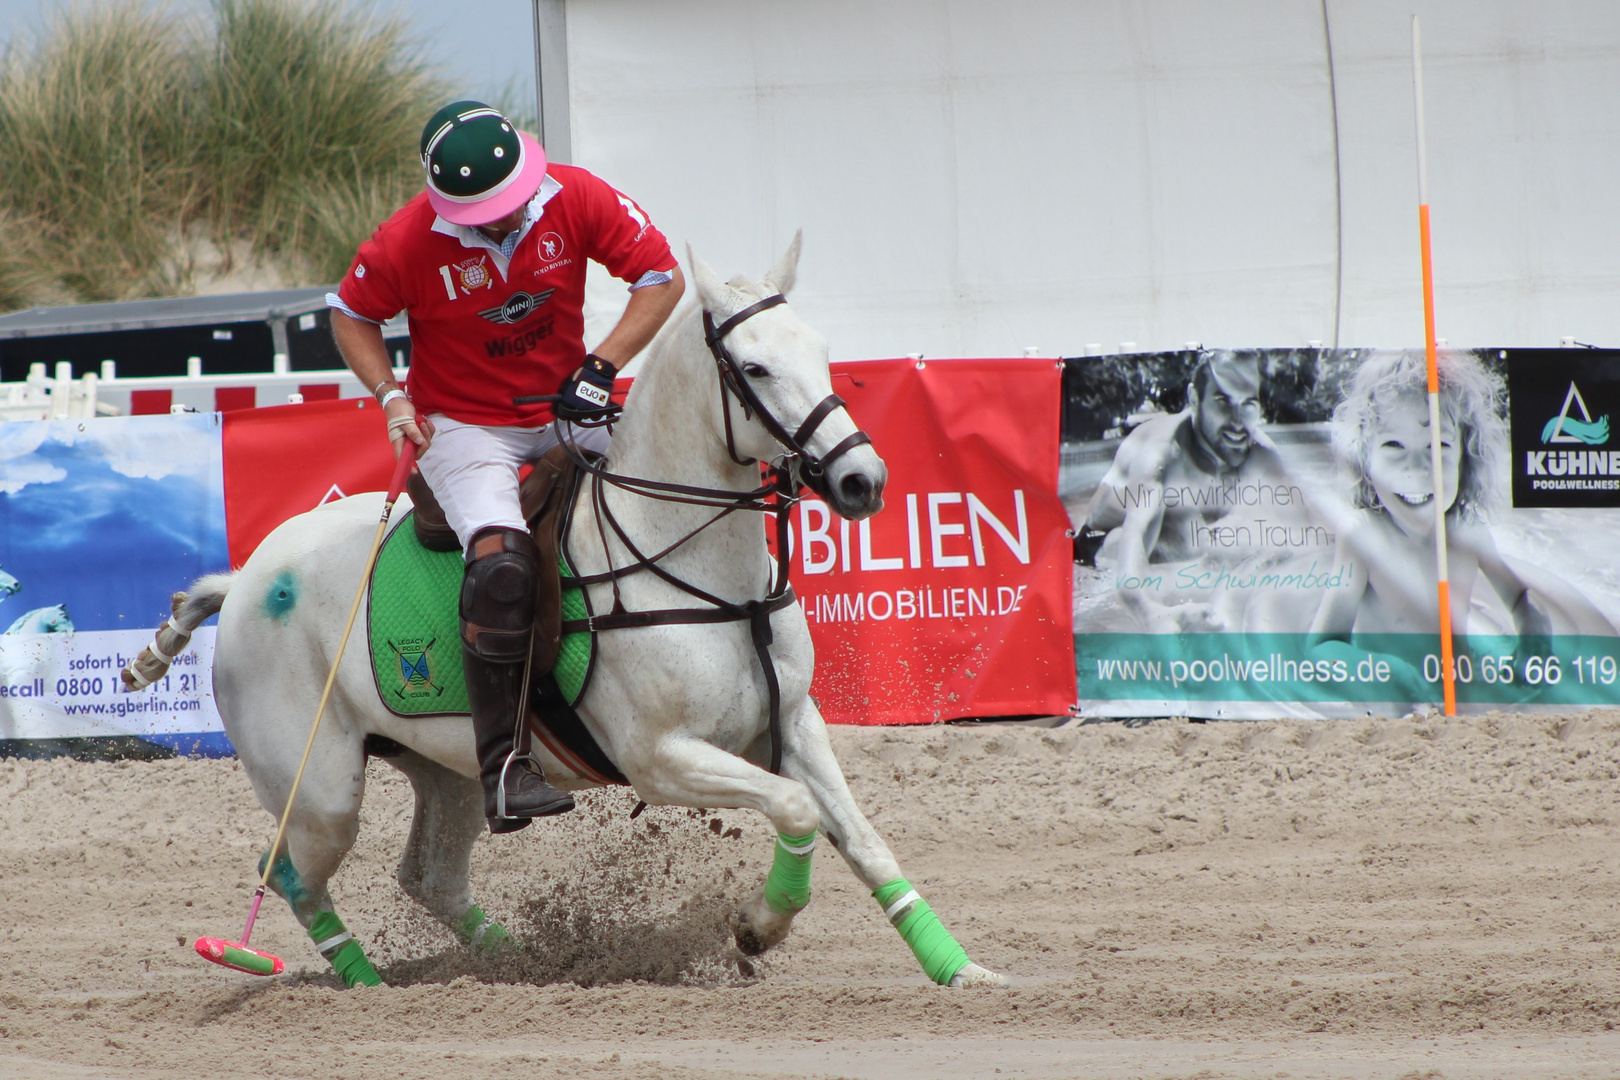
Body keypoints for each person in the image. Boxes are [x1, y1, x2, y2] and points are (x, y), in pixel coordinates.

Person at [328, 100, 684, 834]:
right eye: (486, 213)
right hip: (466, 427)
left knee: (672, 502)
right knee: (501, 568)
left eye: (512, 205)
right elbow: (350, 312)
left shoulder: (576, 193)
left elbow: (660, 276)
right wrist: (391, 396)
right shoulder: (403, 241)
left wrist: (603, 364)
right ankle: (505, 766)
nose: (504, 220)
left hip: (568, 404)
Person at [1308, 349, 1613, 640]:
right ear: (1363, 459)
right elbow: (1322, 644)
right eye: (1393, 445)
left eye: (1438, 446)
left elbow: (1520, 597)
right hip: (1391, 692)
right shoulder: (1364, 536)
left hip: (1458, 685)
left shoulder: (1468, 533)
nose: (1416, 469)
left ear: (1467, 458)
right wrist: (1389, 670)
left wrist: (1533, 635)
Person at [1078, 352, 1302, 632]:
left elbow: (1297, 539)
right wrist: (1153, 614)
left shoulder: (1262, 454)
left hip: (1169, 537)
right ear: (1195, 399)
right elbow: (1135, 539)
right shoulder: (1162, 455)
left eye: (1248, 403)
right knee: (1122, 544)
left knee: (1242, 545)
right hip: (1096, 545)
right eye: (1222, 402)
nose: (1237, 421)